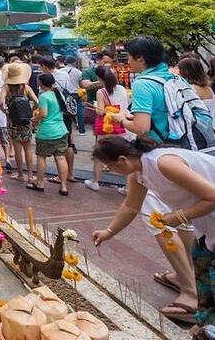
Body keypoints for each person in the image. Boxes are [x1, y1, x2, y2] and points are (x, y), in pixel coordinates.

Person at [108, 36, 201, 319]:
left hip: (158, 156)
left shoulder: (144, 83)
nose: (127, 62)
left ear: (141, 59)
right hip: (186, 154)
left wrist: (121, 119)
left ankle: (190, 294)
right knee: (183, 220)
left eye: (129, 57)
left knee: (158, 221)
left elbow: (141, 126)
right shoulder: (175, 77)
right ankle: (186, 276)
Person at [91, 136, 215, 325]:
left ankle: (205, 321)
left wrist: (177, 217)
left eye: (111, 166)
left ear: (122, 160)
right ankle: (204, 321)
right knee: (203, 269)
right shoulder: (139, 173)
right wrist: (109, 232)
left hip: (210, 214)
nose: (112, 171)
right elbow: (130, 206)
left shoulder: (164, 163)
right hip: (206, 226)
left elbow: (212, 197)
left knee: (208, 271)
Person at [84, 66, 134, 191]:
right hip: (125, 124)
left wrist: (97, 107)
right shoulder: (122, 88)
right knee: (126, 156)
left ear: (99, 78)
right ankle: (128, 187)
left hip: (109, 127)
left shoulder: (101, 92)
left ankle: (95, 182)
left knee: (99, 154)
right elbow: (127, 103)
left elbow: (100, 112)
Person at [28, 73, 71, 195]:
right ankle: (64, 186)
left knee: (41, 157)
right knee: (60, 157)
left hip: (46, 132)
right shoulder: (59, 94)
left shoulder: (43, 96)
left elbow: (43, 114)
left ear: (41, 84)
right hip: (61, 130)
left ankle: (40, 182)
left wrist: (33, 119)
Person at [40, 56, 77, 184]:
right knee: (69, 142)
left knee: (59, 150)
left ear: (44, 66)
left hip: (54, 115)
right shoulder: (64, 74)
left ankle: (61, 177)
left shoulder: (46, 79)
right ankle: (70, 174)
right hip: (66, 111)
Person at [0, 62, 38, 182]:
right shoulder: (26, 88)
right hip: (26, 121)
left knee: (17, 149)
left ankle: (20, 174)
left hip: (13, 121)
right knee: (28, 147)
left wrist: (5, 111)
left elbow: (1, 102)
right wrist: (31, 111)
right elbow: (37, 102)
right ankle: (30, 175)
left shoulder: (6, 88)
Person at [81, 50, 115, 134]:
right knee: (99, 131)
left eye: (110, 63)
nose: (108, 65)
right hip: (95, 107)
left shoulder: (112, 72)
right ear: (98, 60)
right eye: (105, 62)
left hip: (112, 108)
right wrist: (105, 80)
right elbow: (86, 85)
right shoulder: (88, 72)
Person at [60, 56, 85, 134]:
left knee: (64, 111)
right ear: (74, 62)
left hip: (64, 94)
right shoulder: (78, 72)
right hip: (76, 93)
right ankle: (81, 130)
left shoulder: (60, 71)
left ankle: (66, 129)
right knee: (79, 111)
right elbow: (81, 84)